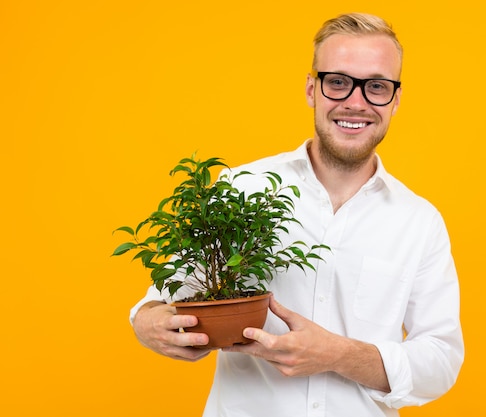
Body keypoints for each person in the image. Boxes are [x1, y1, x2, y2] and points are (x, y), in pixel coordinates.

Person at [130, 12, 464, 417]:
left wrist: (338, 354)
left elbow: (441, 360)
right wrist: (148, 323)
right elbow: (162, 300)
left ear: (395, 99)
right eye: (337, 82)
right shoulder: (241, 187)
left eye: (376, 86)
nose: (355, 102)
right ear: (311, 89)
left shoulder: (419, 223)